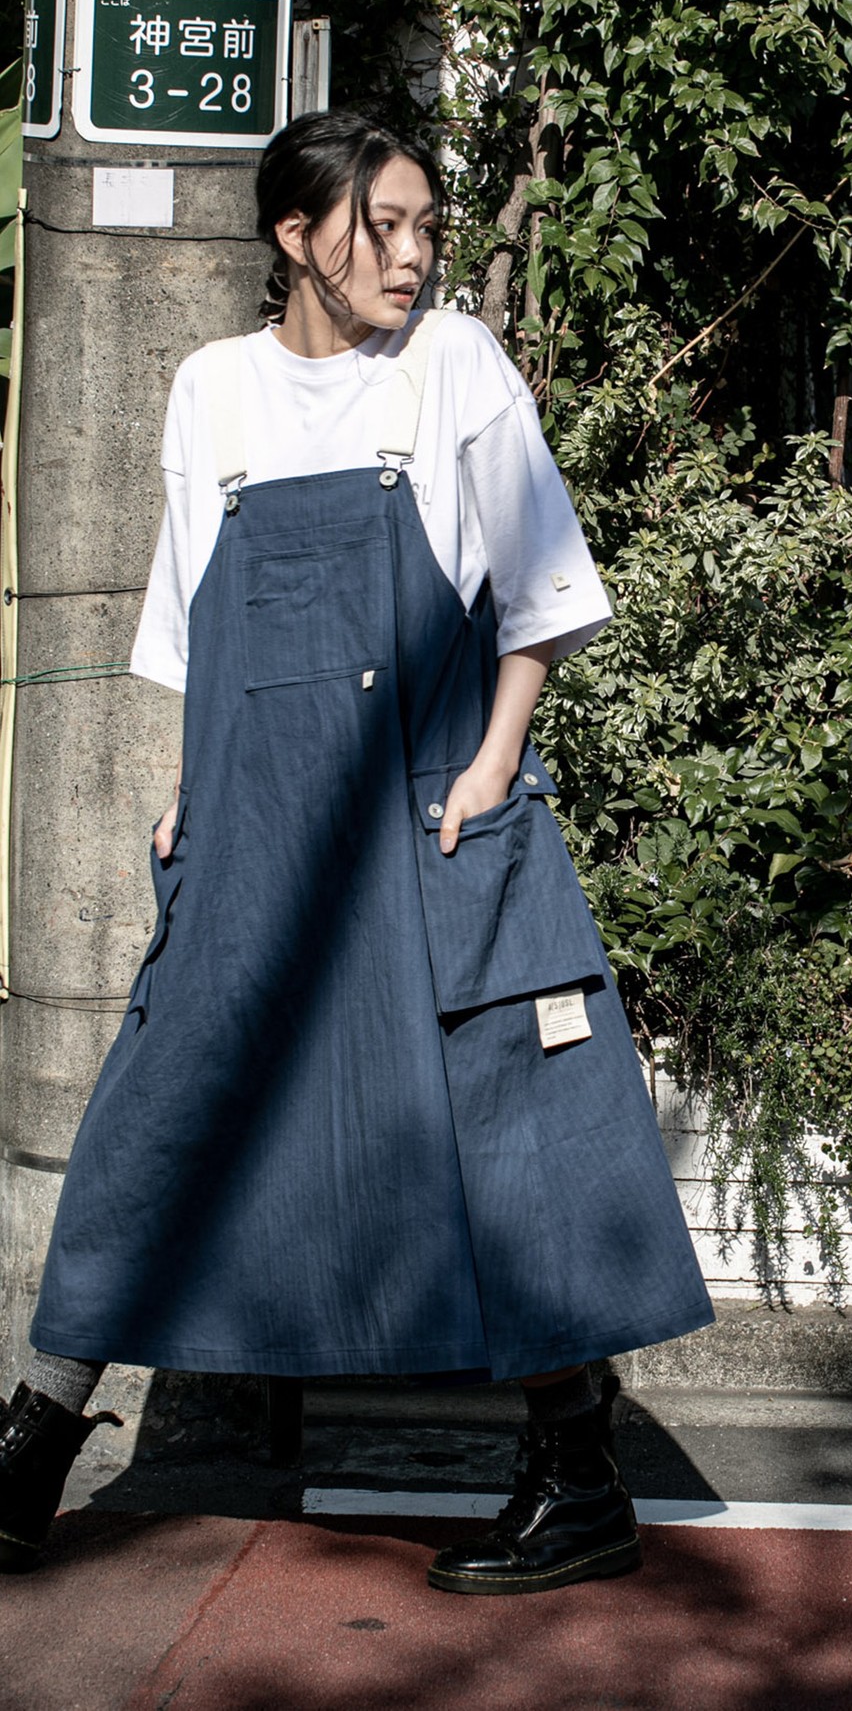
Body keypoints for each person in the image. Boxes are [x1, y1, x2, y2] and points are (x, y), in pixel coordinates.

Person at [0, 110, 713, 1593]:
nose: (412, 254)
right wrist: (191, 791)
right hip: (255, 819)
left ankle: (579, 1476)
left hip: (426, 808)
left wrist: (494, 766)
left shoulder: (453, 365)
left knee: (493, 1126)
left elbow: (541, 589)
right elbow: (196, 621)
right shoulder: (213, 390)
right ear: (296, 237)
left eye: (426, 226)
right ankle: (33, 1444)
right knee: (159, 1111)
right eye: (381, 226)